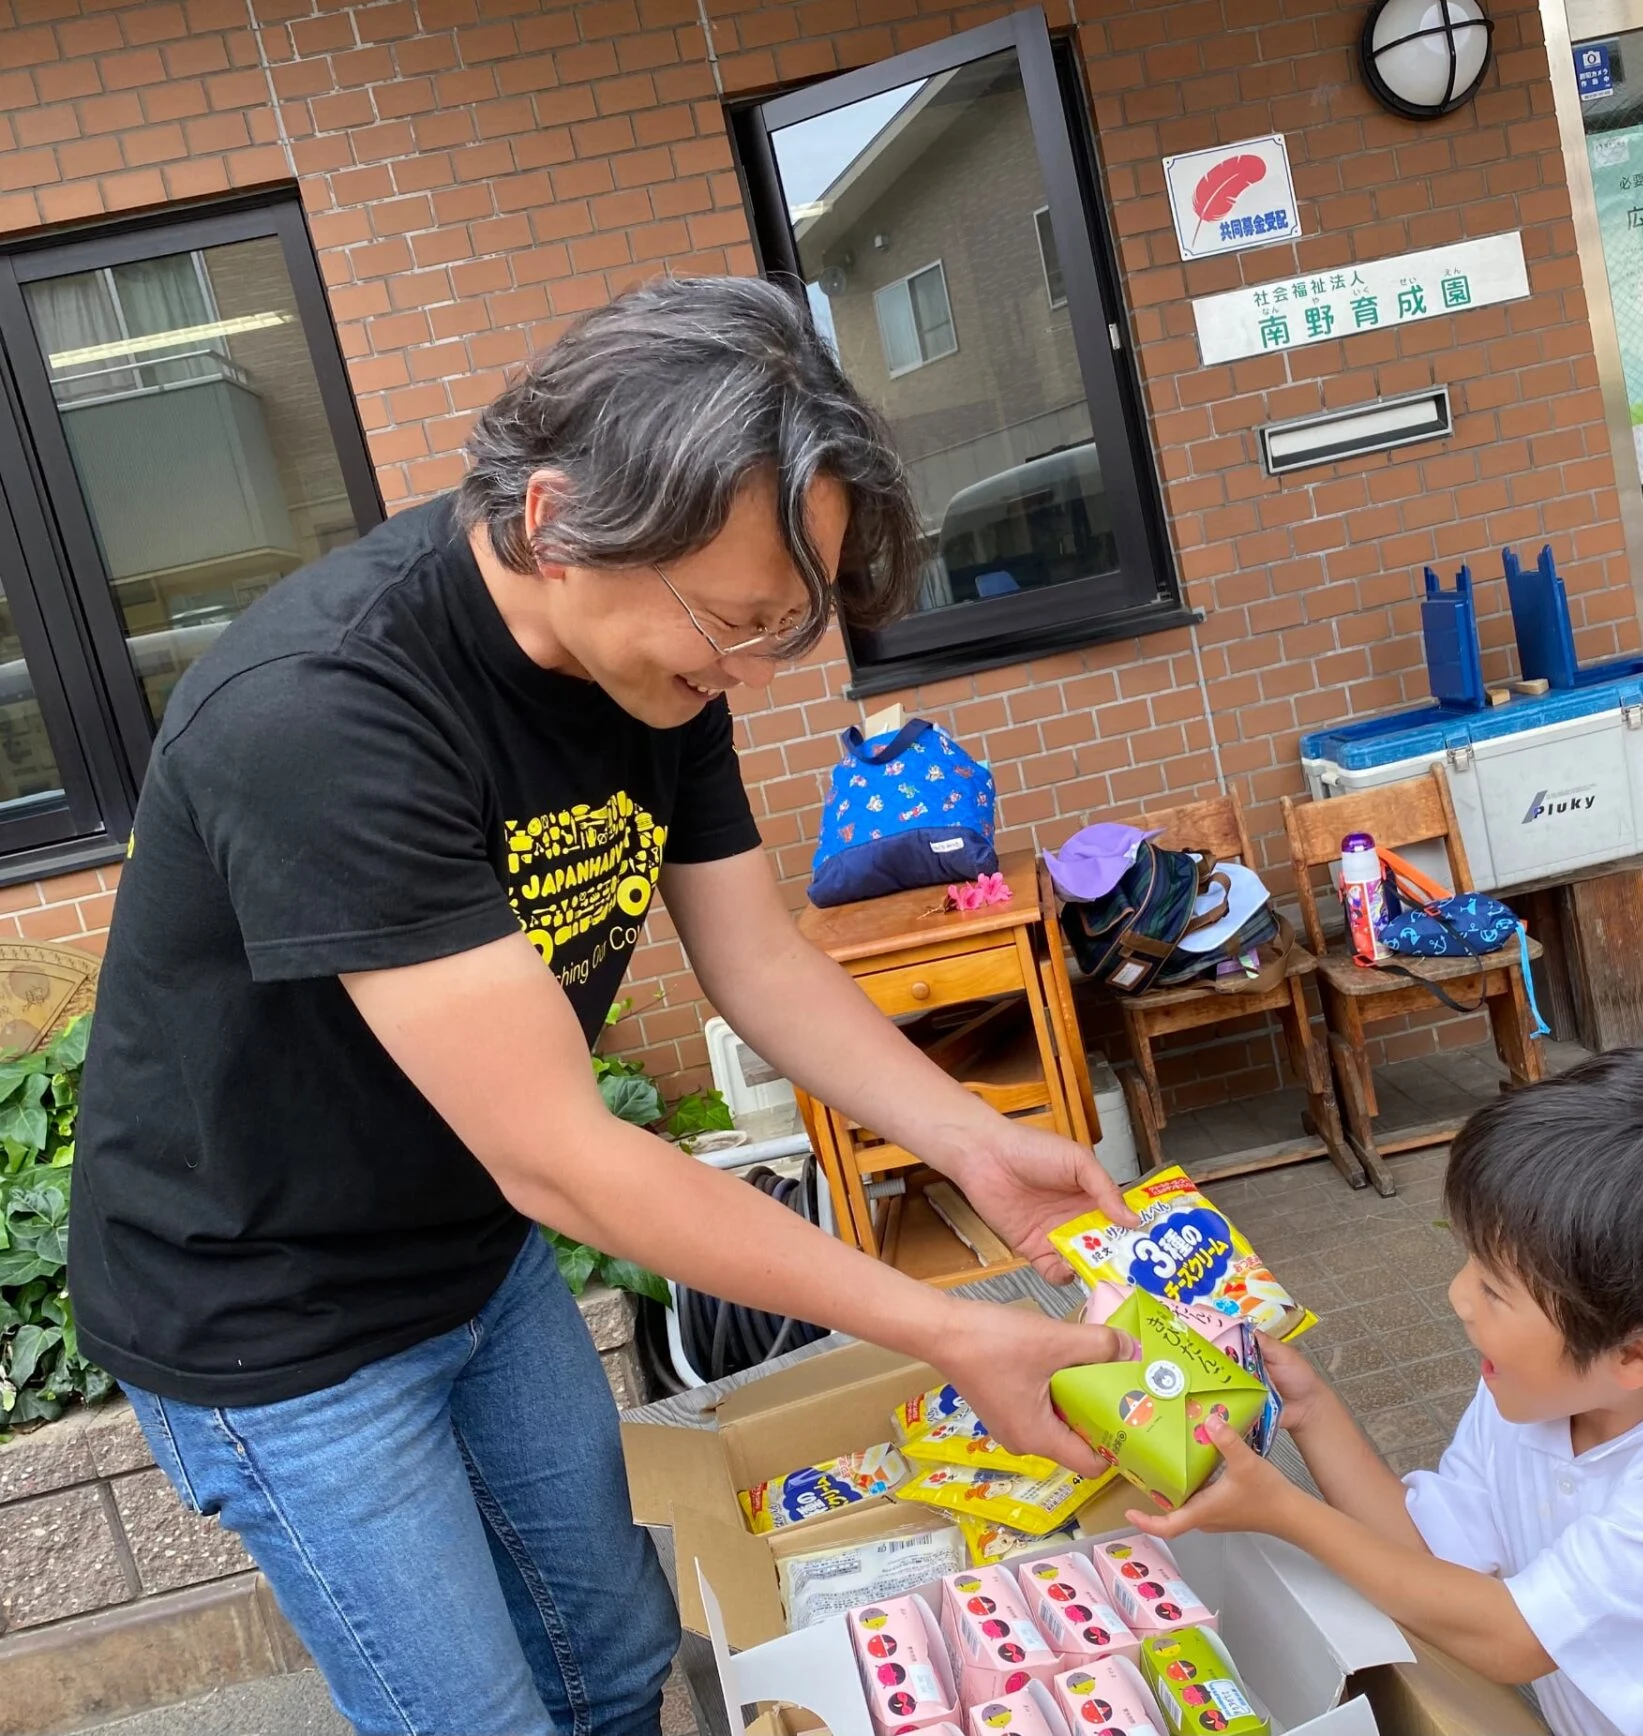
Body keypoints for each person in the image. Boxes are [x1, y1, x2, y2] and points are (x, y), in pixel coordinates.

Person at [69, 275, 1134, 1736]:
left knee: (613, 1657)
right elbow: (561, 1153)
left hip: (469, 1253)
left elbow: (754, 957)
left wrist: (967, 1137)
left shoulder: (663, 676)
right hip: (274, 1316)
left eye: (788, 631)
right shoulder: (325, 712)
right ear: (561, 517)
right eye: (739, 621)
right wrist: (948, 1331)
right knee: (483, 1719)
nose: (752, 675)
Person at [1127, 1046, 1643, 1736]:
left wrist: (1285, 1512)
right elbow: (1431, 1559)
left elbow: (1510, 1639)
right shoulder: (1531, 1402)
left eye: (1496, 1290)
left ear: (1636, 1354)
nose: (1459, 1299)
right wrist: (1313, 1411)